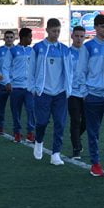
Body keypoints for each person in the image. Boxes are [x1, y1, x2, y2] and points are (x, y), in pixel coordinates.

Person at [75, 14, 104, 178]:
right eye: (103, 27)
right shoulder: (88, 47)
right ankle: (95, 164)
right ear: (95, 28)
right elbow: (80, 71)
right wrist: (84, 93)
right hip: (92, 96)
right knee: (93, 132)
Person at [28, 18, 72, 164]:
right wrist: (33, 87)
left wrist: (68, 89)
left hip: (60, 92)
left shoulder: (64, 49)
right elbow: (32, 69)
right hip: (43, 92)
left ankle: (56, 154)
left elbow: (69, 71)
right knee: (42, 122)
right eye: (54, 31)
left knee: (60, 123)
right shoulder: (38, 48)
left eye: (58, 31)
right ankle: (39, 142)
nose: (56, 34)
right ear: (47, 30)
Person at [68, 26, 87, 158]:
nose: (79, 39)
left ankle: (76, 137)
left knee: (86, 122)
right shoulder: (67, 53)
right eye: (77, 36)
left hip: (86, 93)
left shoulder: (88, 52)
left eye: (82, 36)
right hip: (72, 93)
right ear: (72, 36)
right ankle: (76, 148)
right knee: (75, 120)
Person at [0, 31, 15, 136]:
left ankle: (17, 130)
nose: (9, 39)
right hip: (1, 83)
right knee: (0, 106)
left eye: (11, 37)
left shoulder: (18, 50)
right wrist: (0, 76)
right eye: (7, 37)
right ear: (4, 39)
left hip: (15, 84)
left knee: (15, 107)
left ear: (14, 38)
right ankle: (0, 127)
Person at [16, 27, 36, 143]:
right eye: (29, 37)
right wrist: (9, 81)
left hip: (29, 87)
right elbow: (7, 67)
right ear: (23, 38)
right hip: (16, 86)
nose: (31, 39)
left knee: (31, 109)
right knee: (16, 111)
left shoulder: (32, 51)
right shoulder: (13, 50)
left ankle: (30, 133)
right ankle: (17, 132)